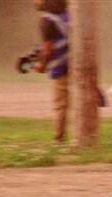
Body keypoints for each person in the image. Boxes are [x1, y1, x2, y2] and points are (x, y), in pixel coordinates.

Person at [33, 0, 69, 143]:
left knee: (60, 105)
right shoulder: (68, 14)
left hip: (61, 67)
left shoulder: (46, 20)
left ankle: (58, 139)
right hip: (77, 64)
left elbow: (48, 49)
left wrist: (41, 65)